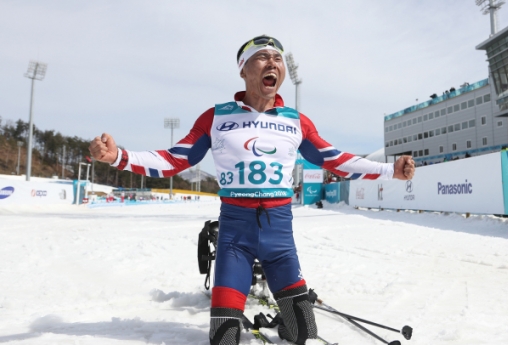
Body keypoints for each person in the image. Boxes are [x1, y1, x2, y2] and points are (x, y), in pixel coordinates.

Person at [89, 35, 415, 345]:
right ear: (243, 70)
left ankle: (286, 317)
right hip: (235, 238)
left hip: (280, 239)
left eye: (277, 58)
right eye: (262, 57)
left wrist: (389, 170)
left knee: (303, 334)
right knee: (225, 339)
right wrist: (118, 156)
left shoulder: (296, 121)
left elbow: (335, 160)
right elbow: (175, 159)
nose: (272, 62)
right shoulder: (216, 117)